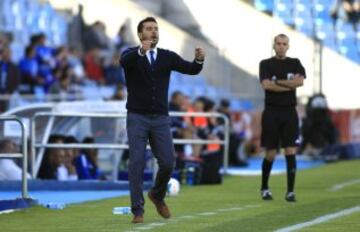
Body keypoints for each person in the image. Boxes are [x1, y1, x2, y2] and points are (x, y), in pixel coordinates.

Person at [120, 16, 205, 223]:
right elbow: (124, 62)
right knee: (137, 163)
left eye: (156, 29)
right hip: (137, 117)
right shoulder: (131, 54)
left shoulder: (167, 56)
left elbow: (191, 69)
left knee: (168, 163)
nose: (153, 32)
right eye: (149, 29)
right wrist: (141, 51)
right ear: (140, 34)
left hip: (160, 118)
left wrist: (199, 60)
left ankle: (157, 195)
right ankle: (137, 210)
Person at [259, 34, 306, 202]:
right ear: (274, 45)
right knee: (270, 153)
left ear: (288, 46)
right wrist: (288, 83)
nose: (281, 46)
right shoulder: (265, 63)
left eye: (284, 44)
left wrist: (276, 84)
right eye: (278, 43)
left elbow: (299, 82)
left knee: (290, 150)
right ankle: (264, 187)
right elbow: (266, 85)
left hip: (289, 112)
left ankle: (290, 191)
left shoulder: (295, 63)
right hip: (271, 112)